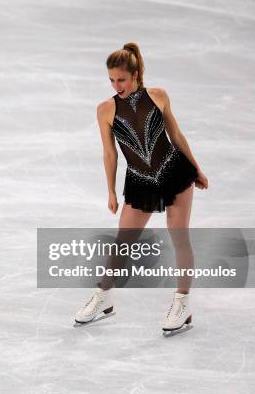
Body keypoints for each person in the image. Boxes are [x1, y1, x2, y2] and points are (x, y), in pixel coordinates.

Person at [74, 42, 209, 332]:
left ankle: (182, 303)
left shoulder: (158, 96)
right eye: (111, 79)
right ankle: (104, 295)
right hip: (139, 181)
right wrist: (110, 191)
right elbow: (110, 153)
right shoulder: (105, 109)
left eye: (121, 79)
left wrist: (196, 168)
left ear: (135, 75)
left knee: (179, 237)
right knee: (123, 241)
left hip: (174, 172)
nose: (116, 85)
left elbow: (176, 135)